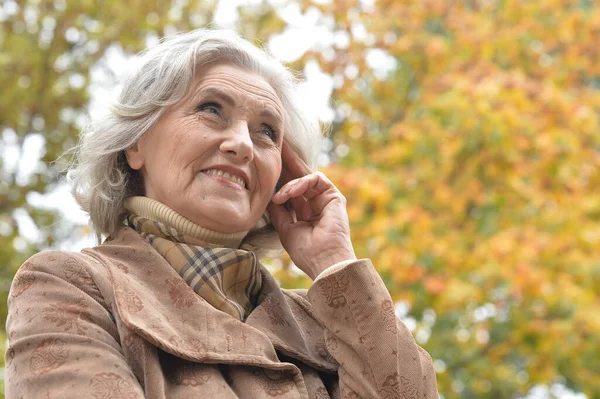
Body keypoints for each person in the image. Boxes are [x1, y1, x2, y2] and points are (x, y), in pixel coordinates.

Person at [5, 29, 438, 398]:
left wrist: (334, 262)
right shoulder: (68, 285)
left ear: (281, 176)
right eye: (211, 109)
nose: (243, 144)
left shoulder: (324, 320)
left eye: (266, 132)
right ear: (135, 143)